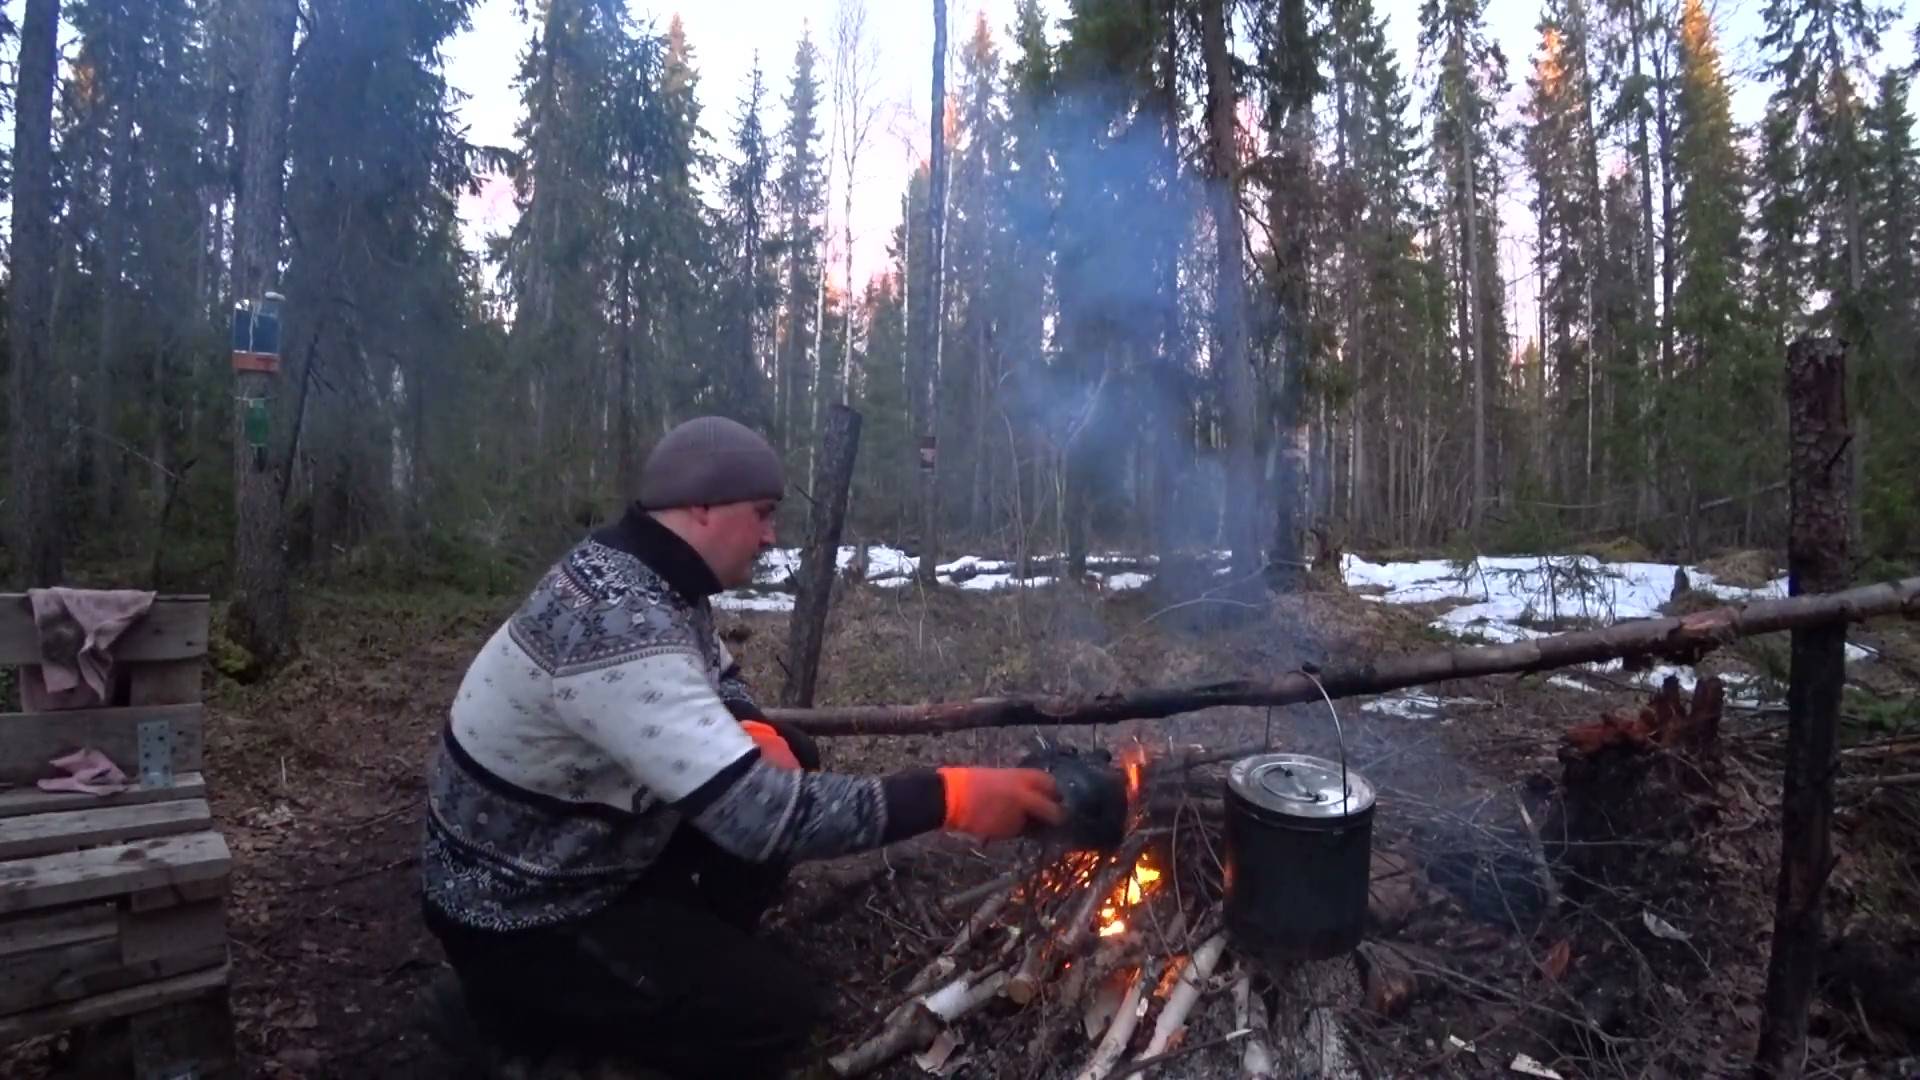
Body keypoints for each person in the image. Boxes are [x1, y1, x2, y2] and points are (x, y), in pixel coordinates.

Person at [420, 415, 1065, 1079]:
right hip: (521, 912)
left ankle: (681, 961)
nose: (769, 535)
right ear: (701, 506)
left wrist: (753, 725)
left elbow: (715, 672)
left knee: (790, 752)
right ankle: (518, 1033)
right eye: (761, 513)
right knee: (775, 1016)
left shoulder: (646, 573)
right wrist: (950, 796)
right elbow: (762, 818)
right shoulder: (620, 623)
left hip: (568, 848)